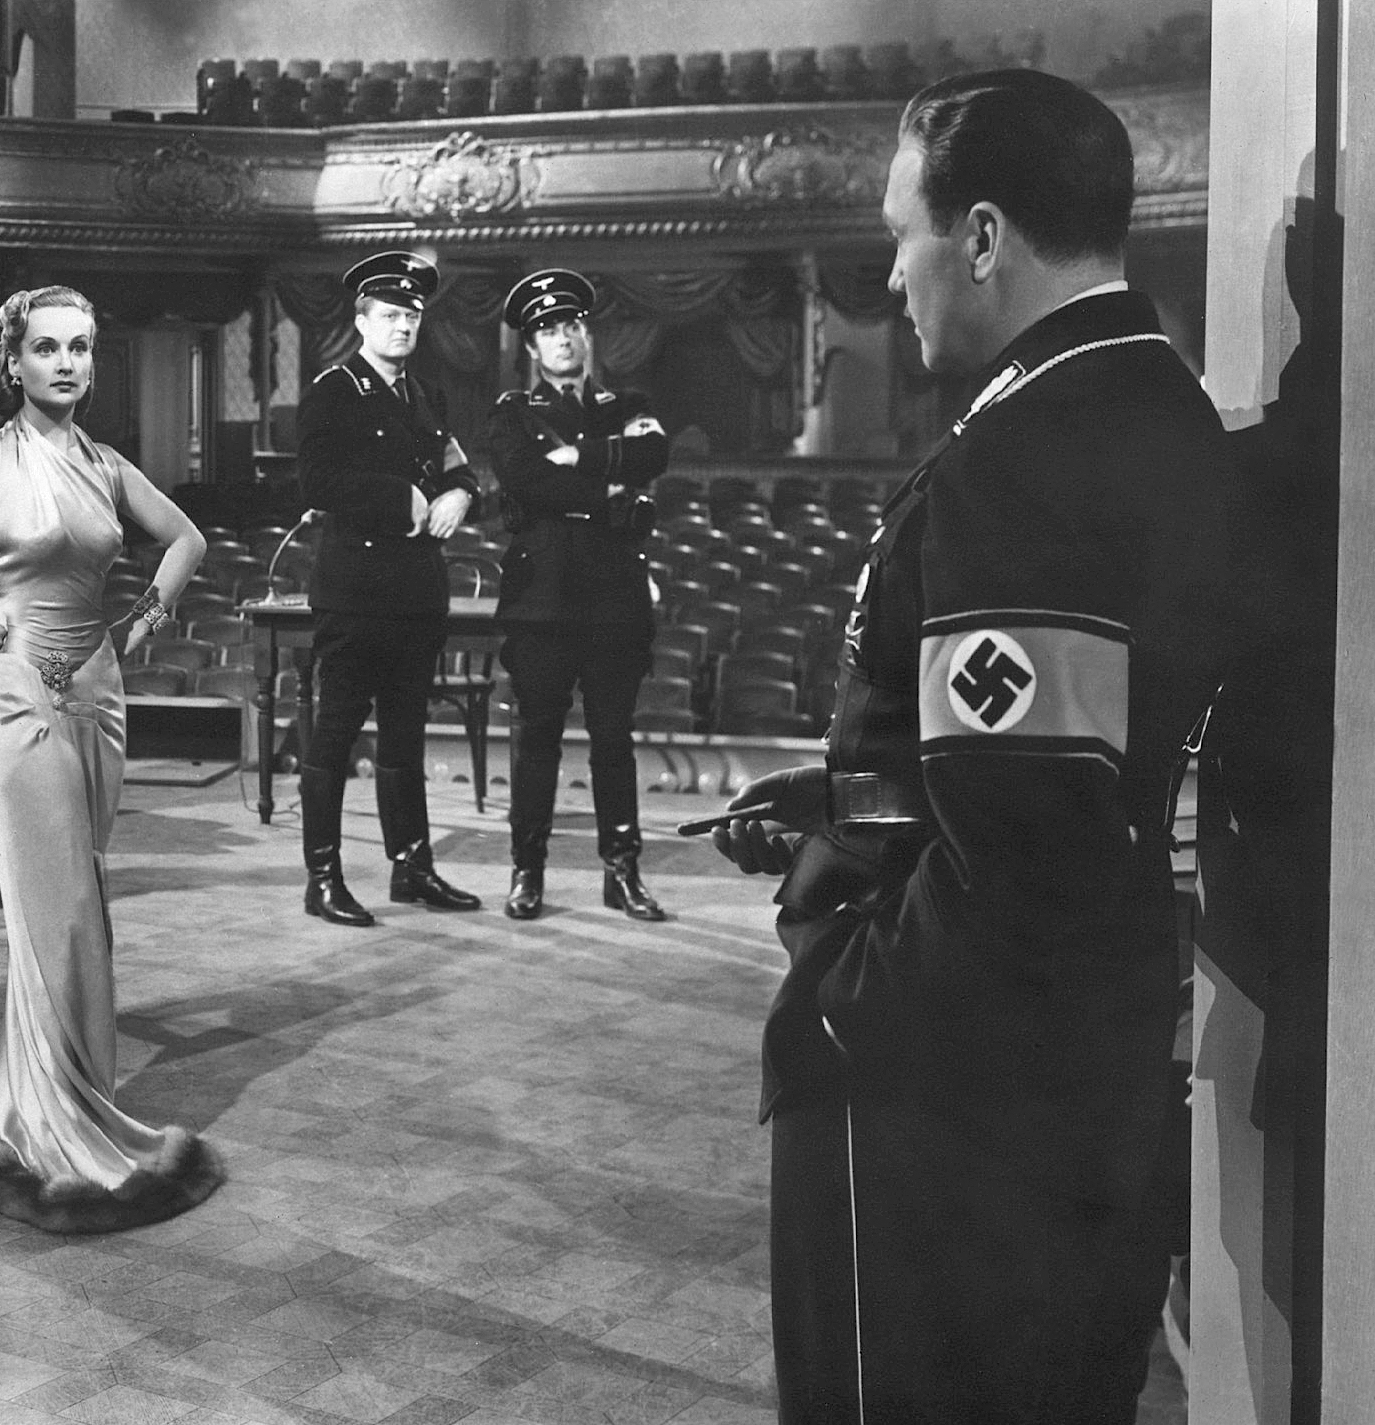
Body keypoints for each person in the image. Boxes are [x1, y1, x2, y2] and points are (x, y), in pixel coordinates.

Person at [708, 71, 1245, 1422]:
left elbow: (1022, 852)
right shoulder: (1150, 405)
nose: (895, 276)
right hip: (1086, 1048)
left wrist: (839, 1004)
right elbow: (1058, 760)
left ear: (985, 236)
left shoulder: (1021, 456)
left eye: (904, 235)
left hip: (949, 1102)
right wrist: (852, 795)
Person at [0, 286, 224, 1232]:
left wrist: (143, 621)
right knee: (50, 911)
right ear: (13, 362)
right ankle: (47, 1121)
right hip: (20, 691)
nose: (67, 363)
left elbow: (185, 538)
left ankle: (81, 1094)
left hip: (99, 692)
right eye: (48, 347)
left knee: (85, 902)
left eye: (81, 347)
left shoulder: (107, 466)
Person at [295, 251, 483, 927]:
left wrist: (461, 495)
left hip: (416, 591)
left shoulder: (425, 395)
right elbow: (316, 483)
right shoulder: (332, 391)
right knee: (335, 737)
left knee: (406, 737)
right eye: (391, 315)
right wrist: (398, 495)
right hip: (356, 590)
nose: (403, 326)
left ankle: (413, 868)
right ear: (361, 321)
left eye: (412, 316)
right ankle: (323, 879)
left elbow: (458, 466)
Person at [483, 269, 669, 921]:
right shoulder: (512, 412)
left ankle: (623, 871)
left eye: (570, 326)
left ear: (586, 336)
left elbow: (654, 455)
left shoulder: (628, 402)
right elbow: (525, 481)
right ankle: (527, 871)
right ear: (532, 348)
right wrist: (605, 483)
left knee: (613, 739)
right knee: (537, 739)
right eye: (547, 331)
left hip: (615, 595)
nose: (562, 338)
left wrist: (575, 458)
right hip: (543, 599)